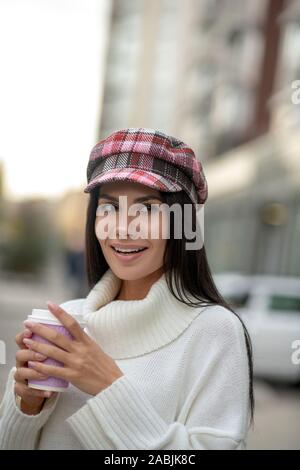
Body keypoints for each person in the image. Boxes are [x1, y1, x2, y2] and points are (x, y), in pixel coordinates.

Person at [0, 127, 254, 450]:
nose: (122, 227)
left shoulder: (215, 332)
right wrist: (26, 405)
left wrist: (106, 385)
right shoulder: (68, 321)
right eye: (109, 208)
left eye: (147, 209)